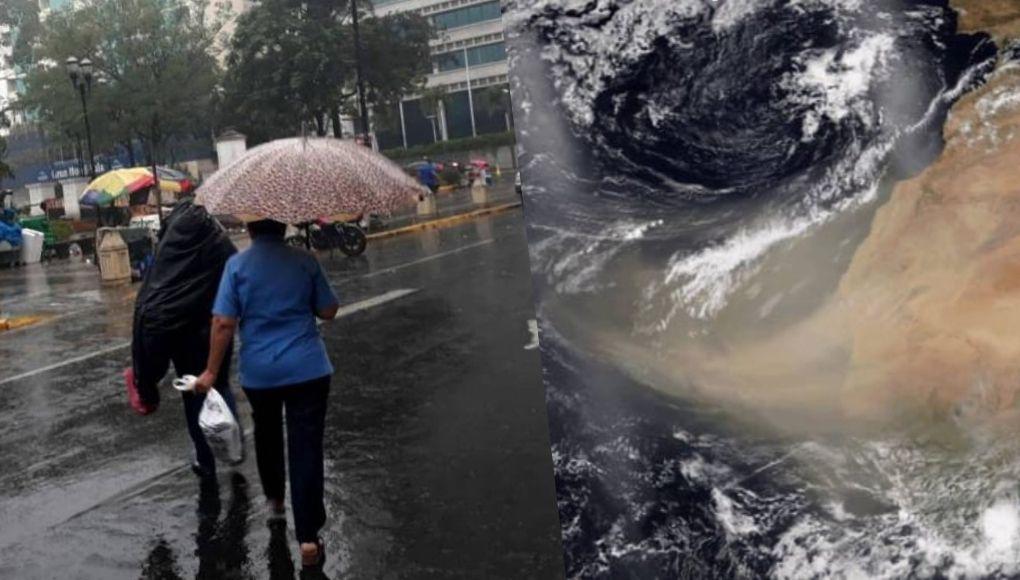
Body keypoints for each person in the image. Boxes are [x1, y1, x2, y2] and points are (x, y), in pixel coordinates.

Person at [195, 219, 340, 570]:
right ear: (283, 224)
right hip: (308, 369)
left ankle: (276, 505)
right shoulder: (305, 261)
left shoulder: (237, 266)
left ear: (250, 228)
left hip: (261, 374)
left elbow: (223, 323)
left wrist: (211, 371)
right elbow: (329, 310)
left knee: (268, 435)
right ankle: (307, 537)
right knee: (306, 447)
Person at [128, 200, 240, 479]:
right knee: (220, 384)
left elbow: (150, 311)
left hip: (185, 340)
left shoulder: (167, 256)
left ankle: (206, 461)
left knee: (193, 397)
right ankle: (232, 448)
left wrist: (146, 382)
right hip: (215, 333)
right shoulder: (219, 243)